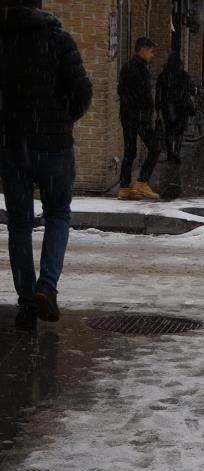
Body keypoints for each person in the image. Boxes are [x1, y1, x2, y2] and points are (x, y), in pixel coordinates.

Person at [0, 0, 92, 330]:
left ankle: (26, 304)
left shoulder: (5, 43)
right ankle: (47, 286)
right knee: (57, 215)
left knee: (20, 225)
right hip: (53, 147)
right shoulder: (60, 41)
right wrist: (63, 120)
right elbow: (83, 91)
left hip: (13, 149)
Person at [118, 37, 161, 201]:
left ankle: (124, 187)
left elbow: (121, 90)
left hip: (127, 115)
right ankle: (142, 181)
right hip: (139, 117)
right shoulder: (139, 68)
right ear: (142, 50)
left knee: (130, 151)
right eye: (150, 51)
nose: (152, 55)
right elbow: (143, 94)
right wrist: (149, 111)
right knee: (155, 147)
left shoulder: (127, 67)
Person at [156, 51, 194, 164]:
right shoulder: (185, 75)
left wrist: (158, 108)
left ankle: (169, 154)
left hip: (168, 107)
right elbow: (190, 90)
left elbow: (159, 94)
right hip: (182, 107)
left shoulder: (163, 75)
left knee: (169, 131)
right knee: (179, 131)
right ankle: (177, 151)